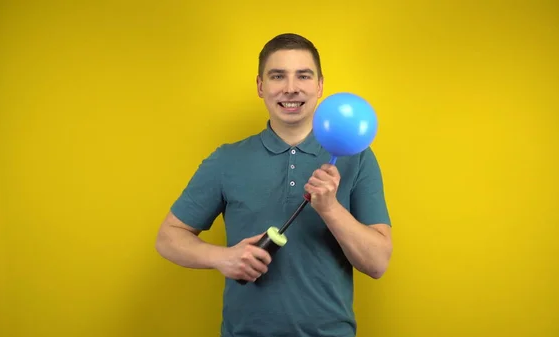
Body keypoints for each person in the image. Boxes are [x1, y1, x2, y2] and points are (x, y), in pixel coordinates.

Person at [155, 33, 392, 337]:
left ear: (319, 85)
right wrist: (221, 257)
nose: (290, 88)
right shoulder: (227, 159)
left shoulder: (355, 157)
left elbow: (377, 263)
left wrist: (330, 208)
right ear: (260, 86)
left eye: (303, 76)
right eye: (277, 76)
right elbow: (168, 238)